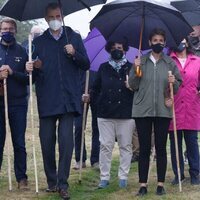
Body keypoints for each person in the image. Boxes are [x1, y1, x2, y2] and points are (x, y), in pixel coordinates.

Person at [25, 3, 90, 200]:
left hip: (69, 100)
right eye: (52, 16)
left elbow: (86, 64)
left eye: (58, 15)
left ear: (62, 16)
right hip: (47, 99)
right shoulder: (39, 42)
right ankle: (51, 181)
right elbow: (33, 77)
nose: (55, 19)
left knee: (66, 142)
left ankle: (63, 183)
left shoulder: (74, 37)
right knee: (46, 142)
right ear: (46, 19)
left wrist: (74, 53)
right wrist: (32, 68)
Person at [128, 28, 182, 196]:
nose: (158, 43)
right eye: (155, 40)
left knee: (160, 147)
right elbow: (133, 85)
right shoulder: (140, 61)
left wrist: (174, 82)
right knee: (144, 148)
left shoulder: (170, 63)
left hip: (162, 110)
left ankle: (160, 184)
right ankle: (143, 185)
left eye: (161, 40)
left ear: (164, 43)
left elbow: (178, 85)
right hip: (142, 109)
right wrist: (136, 70)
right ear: (149, 42)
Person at [83, 40, 135, 189]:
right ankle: (104, 177)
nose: (116, 50)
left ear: (125, 50)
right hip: (105, 113)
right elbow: (95, 88)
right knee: (106, 145)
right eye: (113, 48)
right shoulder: (103, 67)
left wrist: (131, 86)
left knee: (125, 146)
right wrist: (90, 97)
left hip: (126, 113)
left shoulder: (132, 68)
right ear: (108, 51)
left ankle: (123, 177)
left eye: (119, 47)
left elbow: (139, 89)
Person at [0, 18, 29, 189]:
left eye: (10, 29)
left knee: (19, 142)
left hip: (18, 103)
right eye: (4, 29)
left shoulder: (23, 51)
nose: (7, 32)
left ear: (15, 31)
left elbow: (28, 79)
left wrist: (12, 73)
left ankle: (21, 178)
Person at [169, 38, 200, 185]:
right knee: (175, 142)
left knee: (192, 142)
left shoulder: (197, 61)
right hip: (174, 107)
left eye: (182, 40)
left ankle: (195, 174)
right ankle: (178, 174)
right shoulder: (168, 61)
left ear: (187, 43)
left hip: (191, 107)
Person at [73, 70, 100, 170]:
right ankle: (80, 159)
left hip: (97, 92)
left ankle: (96, 159)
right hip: (80, 91)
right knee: (79, 127)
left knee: (97, 127)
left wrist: (92, 92)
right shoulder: (79, 55)